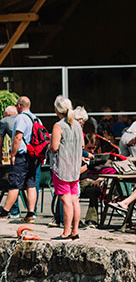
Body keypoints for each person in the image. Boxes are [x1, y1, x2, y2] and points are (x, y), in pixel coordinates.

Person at [0, 96, 40, 221]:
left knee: (14, 184)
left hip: (22, 156)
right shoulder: (36, 118)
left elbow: (18, 137)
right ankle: (31, 213)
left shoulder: (21, 118)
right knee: (31, 185)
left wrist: (13, 154)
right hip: (33, 156)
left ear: (19, 106)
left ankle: (5, 212)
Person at [50, 96, 84, 240]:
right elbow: (82, 144)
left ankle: (66, 232)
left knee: (65, 200)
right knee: (74, 199)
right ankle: (75, 231)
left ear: (57, 110)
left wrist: (49, 146)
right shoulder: (77, 124)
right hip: (75, 168)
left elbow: (54, 147)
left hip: (62, 167)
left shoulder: (58, 126)